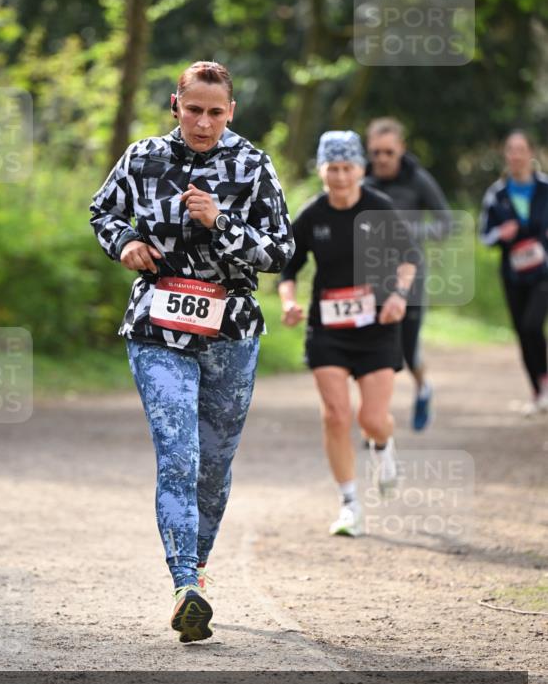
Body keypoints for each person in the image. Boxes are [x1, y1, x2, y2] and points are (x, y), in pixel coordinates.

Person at [89, 60, 294, 642]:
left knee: (213, 464)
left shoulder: (253, 165)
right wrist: (125, 241)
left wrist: (223, 222)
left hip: (231, 329)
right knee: (178, 454)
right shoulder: (142, 158)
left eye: (215, 112)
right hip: (157, 325)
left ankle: (196, 572)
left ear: (231, 112)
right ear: (174, 104)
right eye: (193, 109)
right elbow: (102, 211)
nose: (203, 122)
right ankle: (184, 584)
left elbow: (280, 251)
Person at [278, 130, 416, 538]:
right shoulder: (312, 214)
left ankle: (383, 445)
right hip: (328, 329)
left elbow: (409, 258)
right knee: (336, 416)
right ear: (321, 170)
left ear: (360, 169)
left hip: (377, 328)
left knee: (372, 418)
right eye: (332, 169)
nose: (340, 177)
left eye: (347, 168)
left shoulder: (380, 208)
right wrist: (288, 301)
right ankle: (350, 503)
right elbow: (289, 267)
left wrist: (400, 296)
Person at [364, 118, 453, 431]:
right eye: (376, 152)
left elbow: (446, 222)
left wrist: (412, 230)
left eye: (388, 152)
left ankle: (423, 388)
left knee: (407, 350)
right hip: (370, 276)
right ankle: (376, 418)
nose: (382, 159)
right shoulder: (361, 178)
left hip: (410, 277)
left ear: (401, 149)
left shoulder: (418, 179)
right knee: (374, 350)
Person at [479, 131, 548, 415]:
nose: (516, 155)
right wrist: (500, 234)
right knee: (522, 331)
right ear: (505, 155)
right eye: (511, 150)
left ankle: (545, 383)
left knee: (533, 324)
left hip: (544, 271)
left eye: (521, 149)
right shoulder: (497, 194)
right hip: (513, 274)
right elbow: (485, 235)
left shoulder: (545, 189)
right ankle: (537, 391)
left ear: (530, 153)